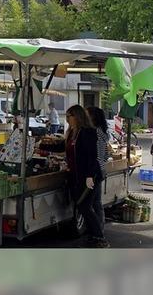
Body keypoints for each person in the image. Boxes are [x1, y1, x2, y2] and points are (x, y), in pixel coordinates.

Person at [41, 105, 108, 248]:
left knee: (85, 206)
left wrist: (90, 175)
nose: (67, 119)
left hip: (88, 176)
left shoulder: (88, 132)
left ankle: (99, 237)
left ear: (77, 116)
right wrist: (42, 146)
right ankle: (93, 235)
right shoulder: (72, 133)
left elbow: (92, 156)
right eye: (66, 116)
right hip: (75, 176)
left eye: (69, 116)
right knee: (82, 206)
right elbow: (62, 148)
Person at [87, 106, 110, 229]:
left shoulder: (93, 132)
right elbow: (107, 155)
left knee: (90, 203)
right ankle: (99, 227)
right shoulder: (102, 132)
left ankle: (97, 230)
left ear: (92, 117)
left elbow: (92, 153)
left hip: (94, 171)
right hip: (100, 170)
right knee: (96, 202)